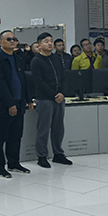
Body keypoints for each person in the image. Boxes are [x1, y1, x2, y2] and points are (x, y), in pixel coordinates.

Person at [0, 30, 34, 178]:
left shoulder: (17, 58)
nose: (12, 41)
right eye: (8, 39)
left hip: (19, 102)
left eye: (14, 39)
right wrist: (10, 104)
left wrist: (28, 99)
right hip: (5, 105)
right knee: (0, 137)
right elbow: (0, 84)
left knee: (16, 135)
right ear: (1, 42)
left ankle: (13, 163)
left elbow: (23, 80)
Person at [31, 32, 71, 168]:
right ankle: (42, 156)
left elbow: (64, 77)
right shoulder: (36, 61)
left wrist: (62, 93)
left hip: (59, 98)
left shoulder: (57, 59)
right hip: (45, 99)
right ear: (39, 45)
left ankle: (58, 153)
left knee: (58, 127)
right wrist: (54, 95)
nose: (49, 43)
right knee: (43, 128)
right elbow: (39, 82)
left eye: (51, 41)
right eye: (46, 41)